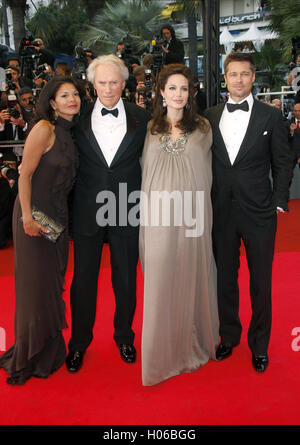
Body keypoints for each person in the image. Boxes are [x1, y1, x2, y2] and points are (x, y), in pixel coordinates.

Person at [204, 52, 294, 373]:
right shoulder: (210, 117)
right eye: (233, 74)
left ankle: (260, 345)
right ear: (224, 78)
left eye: (245, 74)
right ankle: (228, 335)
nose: (239, 80)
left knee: (261, 281)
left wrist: (280, 199)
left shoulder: (271, 118)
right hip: (221, 211)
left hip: (259, 211)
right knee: (224, 278)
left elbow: (282, 163)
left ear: (253, 78)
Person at [66, 55, 150, 373]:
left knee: (126, 278)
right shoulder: (79, 117)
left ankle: (124, 337)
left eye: (114, 81)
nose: (108, 88)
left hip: (127, 207)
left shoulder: (142, 117)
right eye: (102, 82)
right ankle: (78, 344)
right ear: (92, 84)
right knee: (83, 280)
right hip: (87, 208)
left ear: (124, 83)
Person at [139, 63, 219, 386]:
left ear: (191, 93)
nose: (178, 94)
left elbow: (208, 173)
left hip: (193, 218)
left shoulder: (202, 128)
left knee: (190, 275)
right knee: (160, 281)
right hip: (158, 217)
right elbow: (146, 174)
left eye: (184, 89)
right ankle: (160, 355)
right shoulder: (150, 129)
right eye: (172, 88)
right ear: (161, 92)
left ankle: (189, 346)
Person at [0, 76, 82, 385]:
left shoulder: (69, 133)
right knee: (34, 290)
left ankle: (49, 350)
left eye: (75, 94)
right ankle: (28, 356)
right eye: (64, 95)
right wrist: (26, 218)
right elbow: (24, 175)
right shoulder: (44, 129)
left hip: (57, 220)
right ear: (51, 101)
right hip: (33, 216)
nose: (72, 99)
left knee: (51, 286)